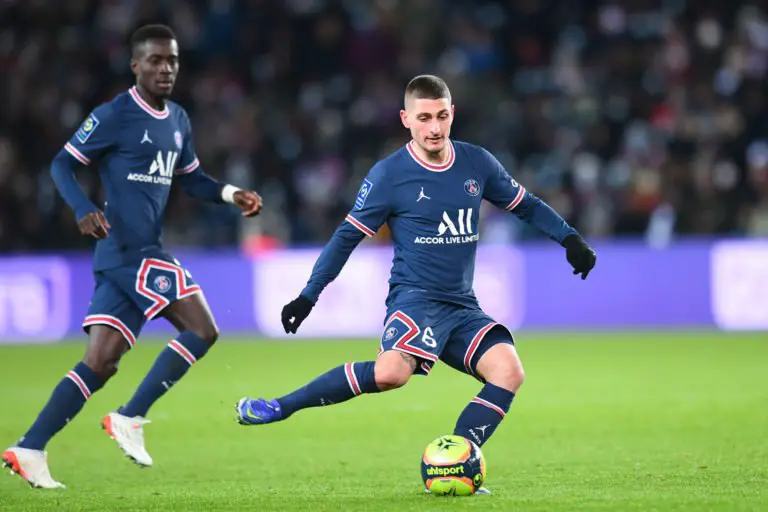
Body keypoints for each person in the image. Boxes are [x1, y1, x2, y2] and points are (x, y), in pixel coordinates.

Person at [235, 75, 595, 493]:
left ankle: (456, 462)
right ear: (406, 119)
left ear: (452, 114)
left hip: (461, 305)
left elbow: (526, 205)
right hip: (415, 299)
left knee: (509, 371)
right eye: (424, 118)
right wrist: (308, 295)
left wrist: (569, 238)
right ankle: (280, 406)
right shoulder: (390, 175)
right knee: (391, 373)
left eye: (442, 116)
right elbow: (347, 237)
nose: (435, 128)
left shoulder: (476, 162)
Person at [2, 24, 262, 489]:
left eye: (173, 60)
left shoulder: (178, 119)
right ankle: (131, 415)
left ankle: (30, 447)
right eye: (156, 60)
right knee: (202, 329)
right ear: (135, 65)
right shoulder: (114, 115)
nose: (166, 69)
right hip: (131, 251)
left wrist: (230, 194)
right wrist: (81, 208)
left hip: (126, 258)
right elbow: (62, 163)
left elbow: (191, 179)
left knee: (100, 363)